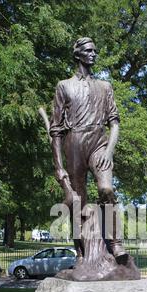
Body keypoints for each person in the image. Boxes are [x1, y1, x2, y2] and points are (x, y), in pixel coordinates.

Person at [49, 37, 127, 261]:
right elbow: (56, 130)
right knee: (77, 203)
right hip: (73, 145)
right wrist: (58, 167)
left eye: (95, 50)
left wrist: (109, 152)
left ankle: (116, 243)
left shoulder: (105, 86)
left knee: (106, 189)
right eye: (89, 51)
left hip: (99, 144)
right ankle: (80, 251)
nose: (94, 54)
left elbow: (114, 123)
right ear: (78, 55)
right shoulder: (64, 86)